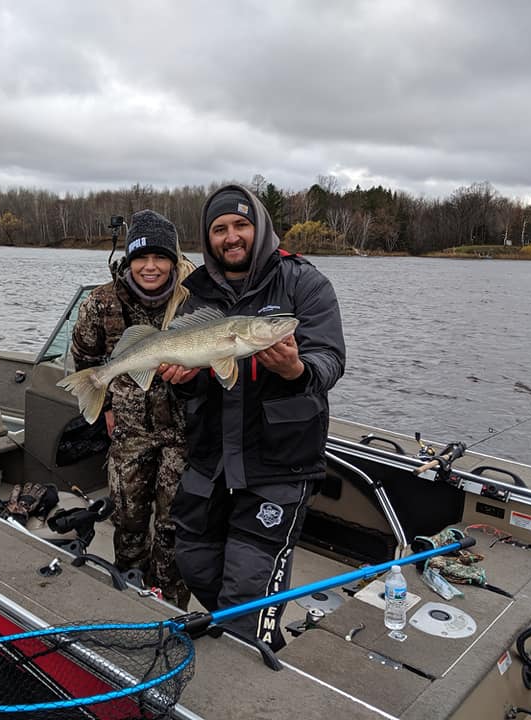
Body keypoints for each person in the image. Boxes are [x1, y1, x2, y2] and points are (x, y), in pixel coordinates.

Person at [159, 184, 346, 650]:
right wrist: (179, 380)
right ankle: (242, 632)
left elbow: (330, 358)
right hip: (211, 459)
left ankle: (251, 658)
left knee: (249, 586)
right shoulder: (195, 294)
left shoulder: (303, 282)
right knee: (193, 557)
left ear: (259, 227)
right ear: (209, 238)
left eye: (241, 224)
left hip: (277, 462)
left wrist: (297, 369)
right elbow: (199, 377)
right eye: (219, 229)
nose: (231, 236)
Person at [69, 209, 194, 610]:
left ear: (174, 260)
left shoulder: (195, 299)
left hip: (184, 431)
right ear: (128, 260)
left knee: (175, 525)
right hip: (129, 430)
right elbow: (84, 358)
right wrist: (104, 405)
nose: (151, 267)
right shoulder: (100, 303)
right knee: (128, 519)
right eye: (141, 258)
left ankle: (170, 605)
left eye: (161, 258)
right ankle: (130, 598)